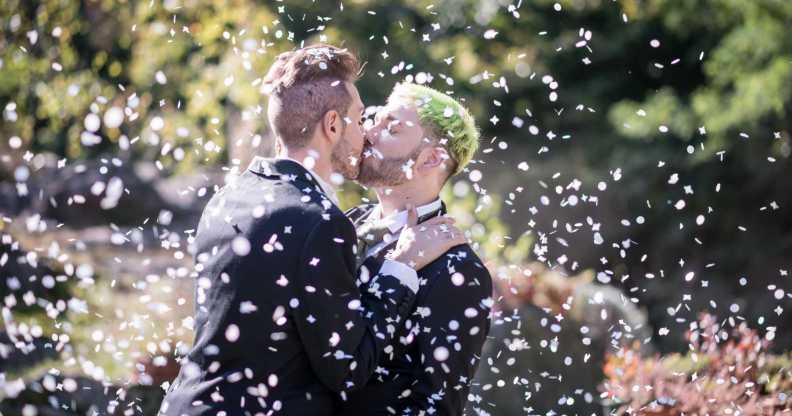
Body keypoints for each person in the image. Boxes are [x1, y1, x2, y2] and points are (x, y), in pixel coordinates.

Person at [158, 45, 466, 416]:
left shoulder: (228, 198)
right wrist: (401, 266)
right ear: (333, 125)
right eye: (360, 119)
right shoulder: (320, 223)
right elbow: (348, 368)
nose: (367, 132)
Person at [336, 83, 493, 415]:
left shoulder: (458, 271)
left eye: (391, 128)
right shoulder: (344, 223)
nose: (368, 133)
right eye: (374, 119)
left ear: (432, 158)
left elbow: (436, 407)